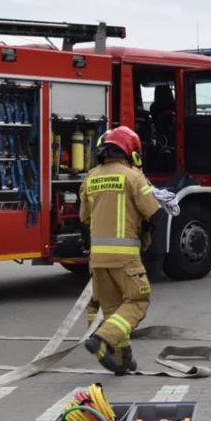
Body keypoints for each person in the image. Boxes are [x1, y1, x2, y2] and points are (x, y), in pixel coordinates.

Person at [80, 126, 162, 375]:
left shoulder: (90, 177)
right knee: (137, 301)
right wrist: (147, 233)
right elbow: (154, 212)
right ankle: (102, 339)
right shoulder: (134, 176)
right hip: (125, 258)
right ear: (131, 151)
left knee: (114, 309)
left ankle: (121, 358)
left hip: (98, 260)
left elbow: (84, 217)